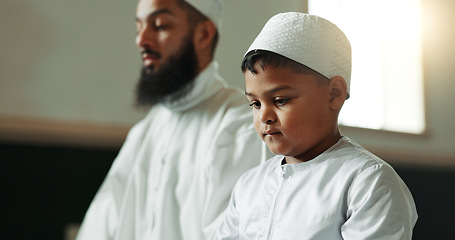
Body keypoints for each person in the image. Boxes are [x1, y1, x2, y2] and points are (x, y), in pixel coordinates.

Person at [76, 0, 270, 239]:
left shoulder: (240, 125)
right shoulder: (143, 134)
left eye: (159, 25)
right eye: (139, 28)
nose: (141, 40)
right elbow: (99, 229)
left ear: (203, 34)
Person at [215, 12, 418, 239]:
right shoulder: (249, 185)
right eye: (255, 103)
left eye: (280, 100)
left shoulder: (367, 181)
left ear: (334, 94)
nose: (264, 116)